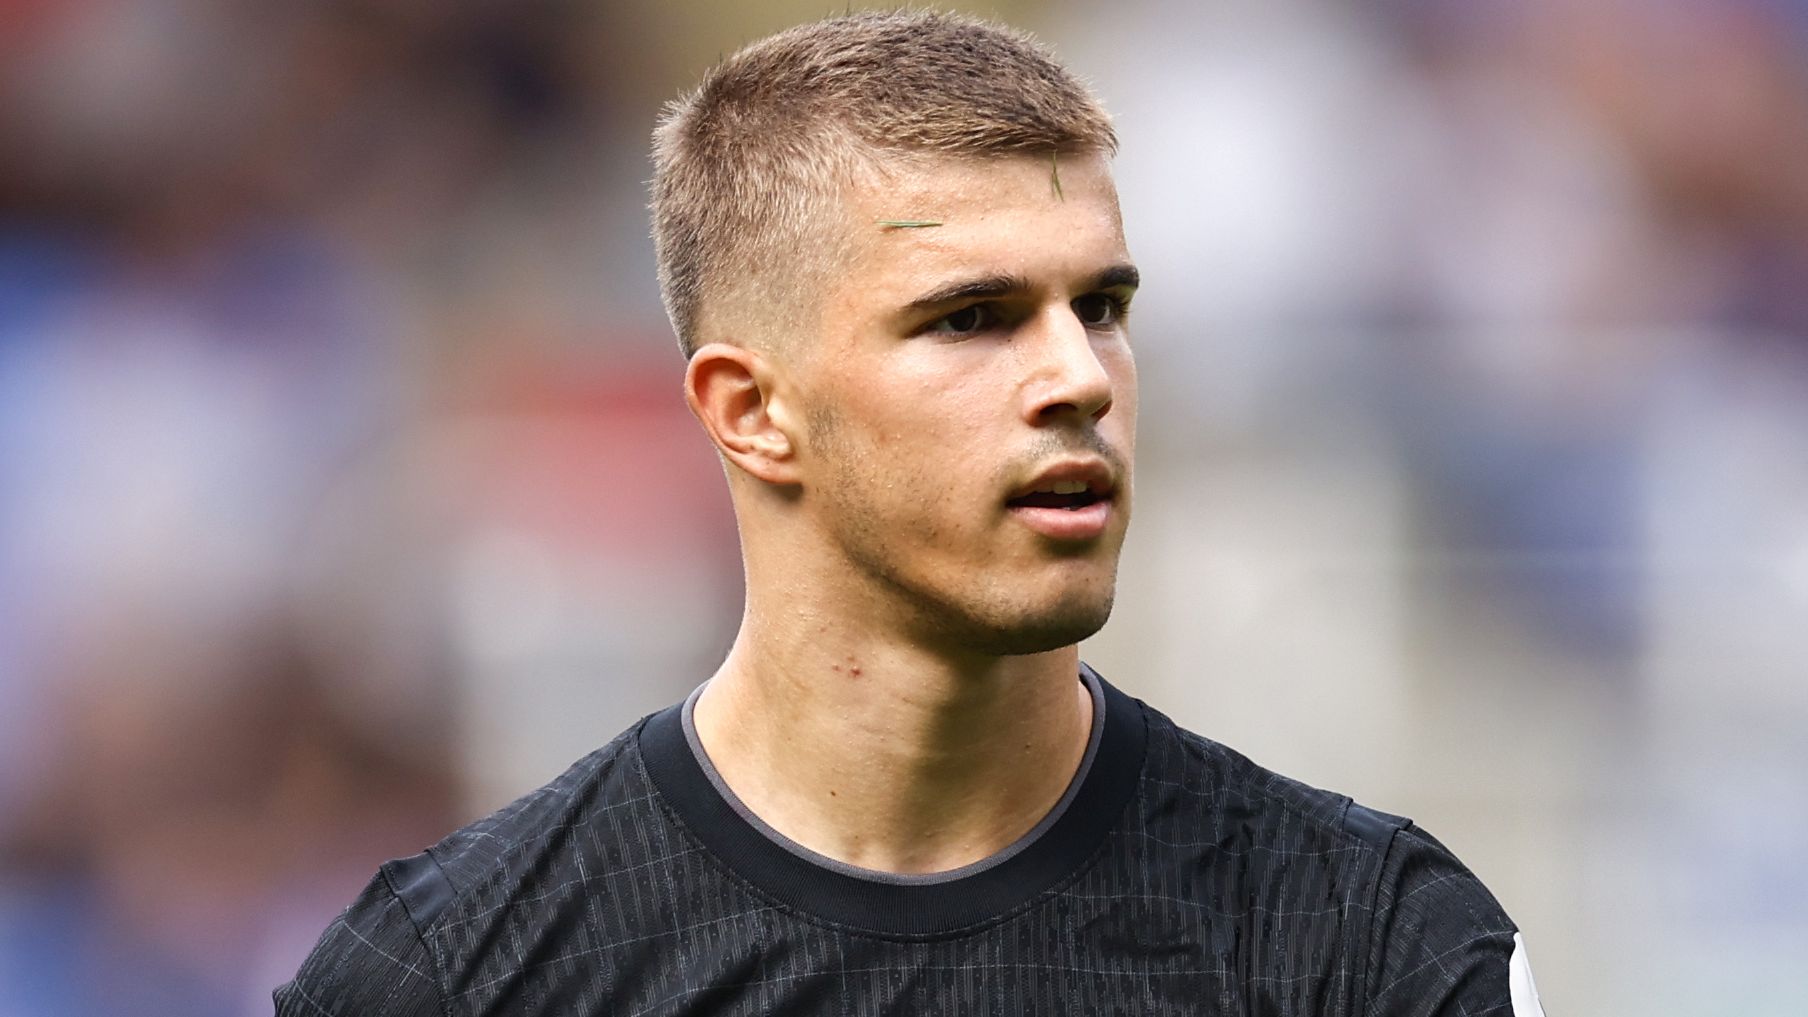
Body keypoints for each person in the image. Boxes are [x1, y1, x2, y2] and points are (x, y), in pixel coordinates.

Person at [275, 10, 1545, 1015]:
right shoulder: (455, 977)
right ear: (750, 411)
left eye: (1100, 307)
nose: (1078, 377)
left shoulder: (1366, 945)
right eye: (970, 318)